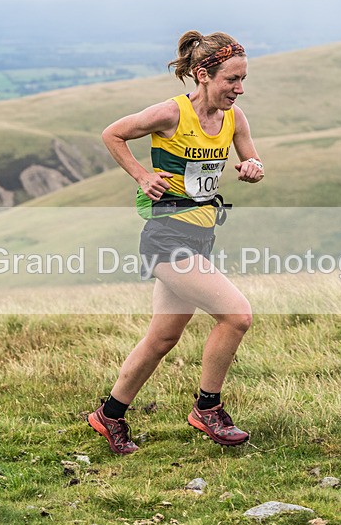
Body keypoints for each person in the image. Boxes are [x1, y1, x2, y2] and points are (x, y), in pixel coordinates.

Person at [86, 30, 265, 455]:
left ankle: (109, 415)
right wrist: (142, 176)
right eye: (231, 79)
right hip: (166, 237)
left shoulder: (234, 118)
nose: (239, 89)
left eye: (243, 79)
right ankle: (208, 408)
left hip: (201, 235)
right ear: (203, 75)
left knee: (162, 338)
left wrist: (253, 168)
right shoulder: (171, 113)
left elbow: (252, 158)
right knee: (237, 316)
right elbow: (113, 134)